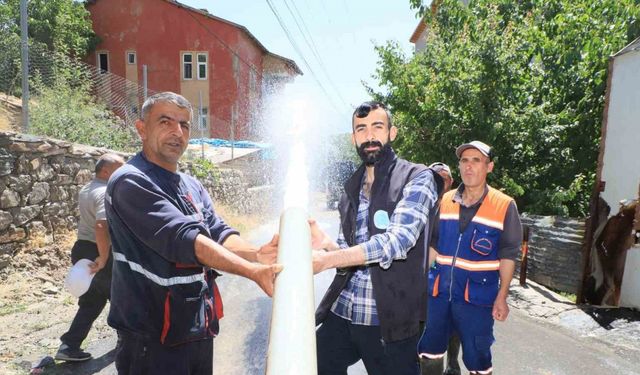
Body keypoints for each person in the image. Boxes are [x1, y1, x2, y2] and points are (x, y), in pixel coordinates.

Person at [105, 92, 282, 374]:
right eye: (165, 122)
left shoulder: (190, 184)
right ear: (141, 129)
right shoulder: (130, 181)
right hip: (151, 340)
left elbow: (219, 233)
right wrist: (251, 271)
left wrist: (258, 254)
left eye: (185, 125)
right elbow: (184, 239)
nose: (177, 132)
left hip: (194, 327)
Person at [310, 101, 441, 375]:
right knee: (315, 362)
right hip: (344, 311)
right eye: (361, 129)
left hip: (389, 321)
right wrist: (327, 244)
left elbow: (398, 241)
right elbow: (350, 256)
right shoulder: (350, 189)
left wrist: (328, 259)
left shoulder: (417, 178)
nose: (369, 136)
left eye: (377, 127)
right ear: (353, 138)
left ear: (391, 133)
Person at [418, 141, 522, 375]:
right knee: (429, 350)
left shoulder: (504, 205)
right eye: (464, 160)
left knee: (478, 357)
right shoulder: (444, 201)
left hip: (476, 299)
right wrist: (417, 282)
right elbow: (433, 246)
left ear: (489, 167)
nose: (469, 166)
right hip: (439, 295)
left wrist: (502, 297)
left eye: (476, 160)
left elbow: (509, 255)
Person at [55, 153, 125, 362]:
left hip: (83, 248)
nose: (124, 171)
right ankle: (129, 339)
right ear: (105, 171)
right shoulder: (104, 192)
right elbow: (102, 226)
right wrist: (103, 258)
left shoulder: (88, 188)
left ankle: (69, 346)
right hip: (98, 251)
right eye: (119, 167)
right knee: (121, 296)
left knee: (92, 301)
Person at [423, 162, 462, 375]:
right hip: (426, 274)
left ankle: (453, 364)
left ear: (451, 182)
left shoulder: (459, 204)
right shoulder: (420, 202)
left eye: (444, 177)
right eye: (435, 176)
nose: (440, 180)